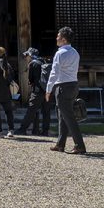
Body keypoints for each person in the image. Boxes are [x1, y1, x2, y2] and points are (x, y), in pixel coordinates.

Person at [45, 26, 87, 154]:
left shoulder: (60, 53)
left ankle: (79, 145)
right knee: (62, 115)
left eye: (58, 36)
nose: (56, 38)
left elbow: (54, 72)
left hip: (63, 86)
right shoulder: (75, 52)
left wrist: (48, 89)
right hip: (73, 85)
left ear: (63, 39)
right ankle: (60, 143)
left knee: (69, 117)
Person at [17, 47, 51, 136]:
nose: (26, 57)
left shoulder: (33, 64)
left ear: (30, 55)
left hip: (37, 91)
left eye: (27, 55)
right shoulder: (44, 62)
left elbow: (30, 79)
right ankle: (45, 131)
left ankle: (22, 129)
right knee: (46, 111)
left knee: (31, 110)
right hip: (47, 90)